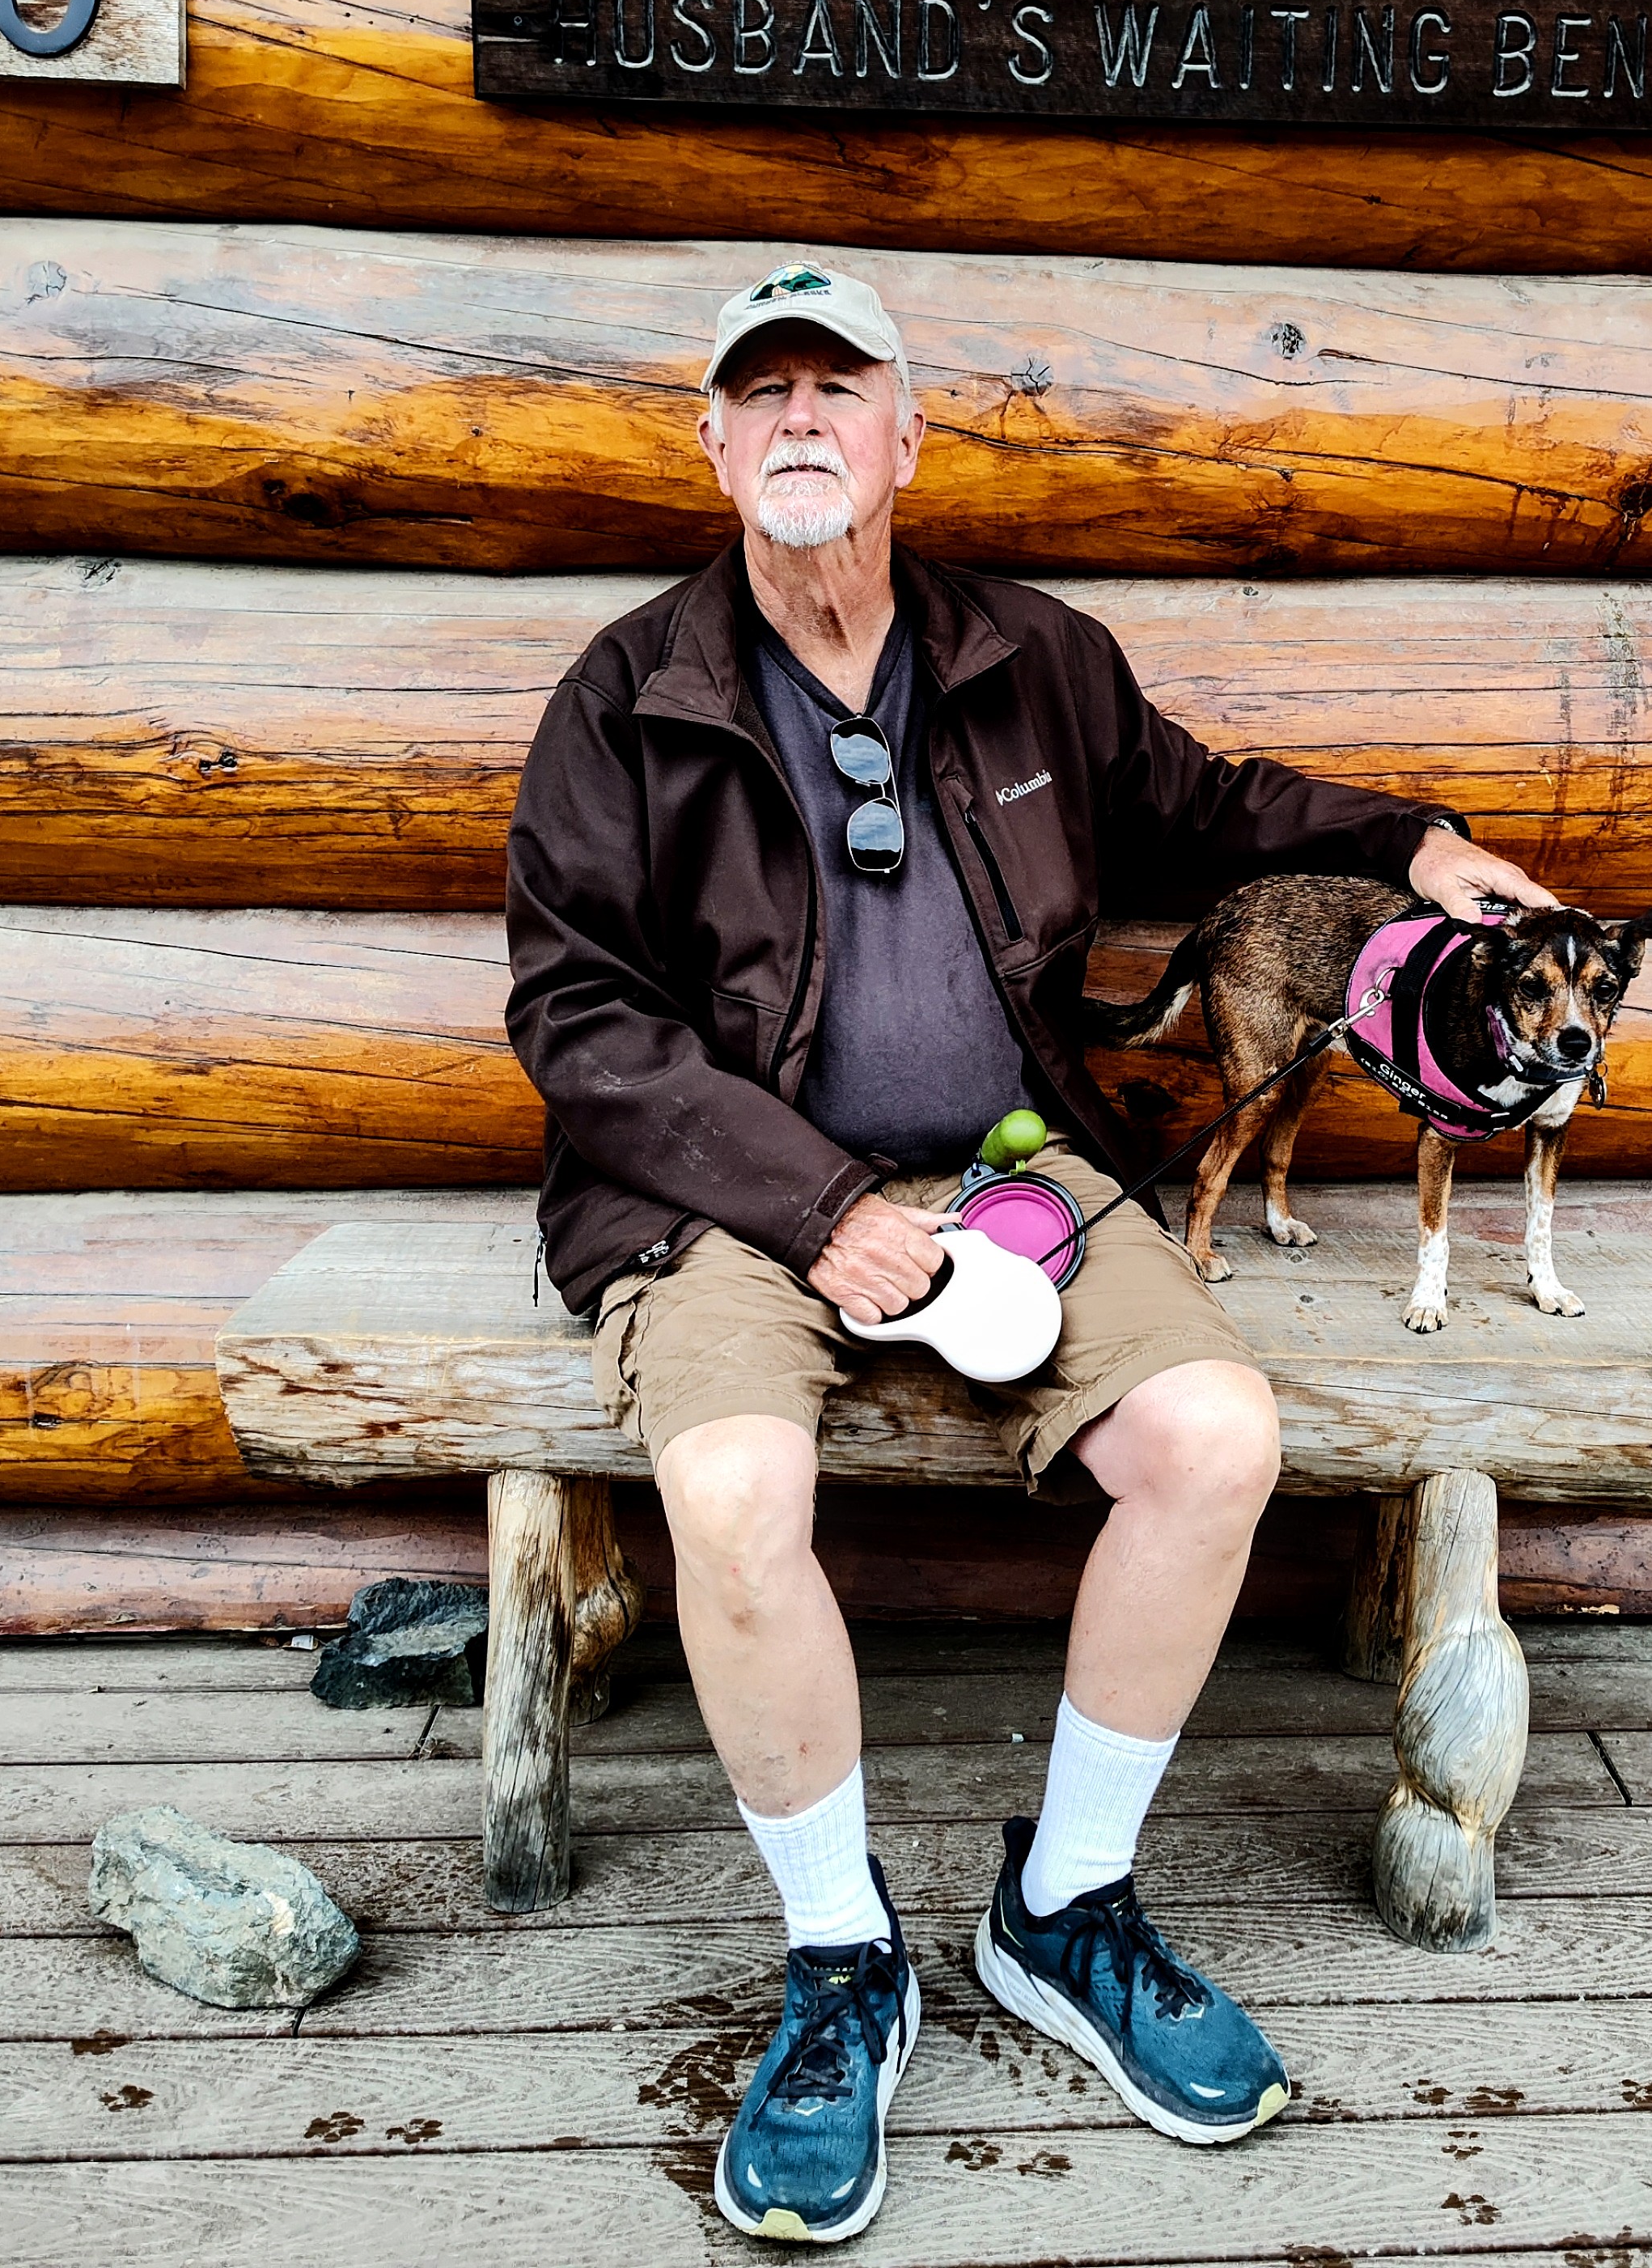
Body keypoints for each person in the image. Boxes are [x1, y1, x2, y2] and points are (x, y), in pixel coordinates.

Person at [505, 260, 1550, 2244]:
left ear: (909, 435)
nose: (801, 419)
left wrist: (1407, 842)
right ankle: (840, 1964)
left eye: (840, 388)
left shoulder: (1029, 656)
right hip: (734, 1198)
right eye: (764, 393)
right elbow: (577, 1017)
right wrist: (819, 1212)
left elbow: (1206, 807)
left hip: (1008, 1165)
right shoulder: (626, 700)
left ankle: (1057, 1909)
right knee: (727, 1490)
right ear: (712, 445)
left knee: (1214, 1439)